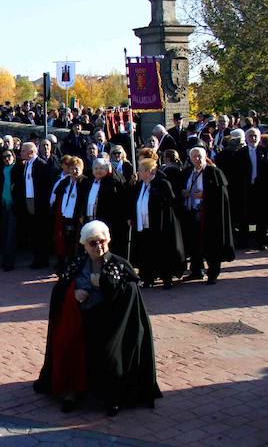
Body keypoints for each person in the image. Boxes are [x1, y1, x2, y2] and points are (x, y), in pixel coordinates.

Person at [34, 220, 162, 416]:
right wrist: (74, 293)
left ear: (108, 241)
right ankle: (72, 392)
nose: (98, 246)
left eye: (102, 241)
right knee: (69, 342)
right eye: (92, 243)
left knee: (109, 352)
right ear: (84, 245)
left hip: (111, 321)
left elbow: (131, 291)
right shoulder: (78, 262)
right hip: (81, 317)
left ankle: (113, 397)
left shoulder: (118, 264)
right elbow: (60, 286)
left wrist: (104, 283)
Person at [180, 147, 235, 284]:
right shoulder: (188, 172)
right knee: (194, 243)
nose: (197, 159)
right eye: (194, 156)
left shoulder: (213, 172)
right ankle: (196, 270)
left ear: (205, 157)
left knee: (211, 244)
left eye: (199, 156)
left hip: (210, 215)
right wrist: (183, 193)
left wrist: (205, 195)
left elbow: (221, 194)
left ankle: (213, 272)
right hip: (191, 212)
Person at [131, 159, 185, 289]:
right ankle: (148, 278)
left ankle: (167, 278)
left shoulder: (162, 184)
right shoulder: (140, 185)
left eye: (141, 170)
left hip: (160, 224)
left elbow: (168, 204)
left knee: (163, 251)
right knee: (146, 252)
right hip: (143, 225)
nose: (139, 172)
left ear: (149, 171)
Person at [14, 142, 53, 270]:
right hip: (29, 201)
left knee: (40, 233)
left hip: (39, 204)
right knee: (34, 233)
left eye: (23, 151)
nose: (21, 153)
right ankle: (38, 258)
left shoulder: (42, 165)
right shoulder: (26, 164)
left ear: (30, 152)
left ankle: (41, 260)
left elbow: (47, 186)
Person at [50, 156, 88, 271]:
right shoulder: (65, 181)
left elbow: (85, 200)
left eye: (77, 168)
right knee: (66, 240)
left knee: (77, 241)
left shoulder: (85, 182)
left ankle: (76, 264)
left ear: (81, 169)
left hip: (78, 216)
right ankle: (65, 262)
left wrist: (82, 214)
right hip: (65, 215)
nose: (74, 171)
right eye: (72, 168)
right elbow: (57, 195)